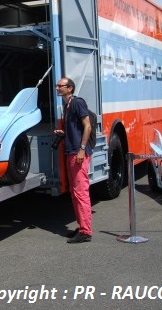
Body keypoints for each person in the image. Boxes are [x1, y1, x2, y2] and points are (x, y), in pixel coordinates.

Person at [53, 78, 93, 244]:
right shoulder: (67, 105)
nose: (57, 88)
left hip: (78, 154)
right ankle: (82, 226)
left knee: (80, 192)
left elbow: (87, 126)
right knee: (75, 192)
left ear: (69, 88)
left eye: (60, 86)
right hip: (72, 152)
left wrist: (82, 149)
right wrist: (63, 133)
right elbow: (76, 128)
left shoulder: (77, 103)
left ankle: (86, 231)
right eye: (57, 85)